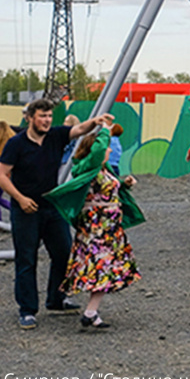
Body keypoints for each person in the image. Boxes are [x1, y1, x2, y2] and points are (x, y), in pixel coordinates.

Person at [0, 98, 114, 330]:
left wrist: (97, 121)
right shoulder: (16, 144)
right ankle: (27, 310)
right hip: (26, 209)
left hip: (51, 206)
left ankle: (56, 299)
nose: (47, 120)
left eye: (49, 116)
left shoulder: (56, 136)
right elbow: (1, 175)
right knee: (26, 259)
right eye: (42, 116)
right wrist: (20, 198)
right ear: (29, 118)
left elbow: (79, 129)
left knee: (63, 253)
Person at [45, 125, 144, 329]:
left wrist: (124, 184)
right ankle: (90, 312)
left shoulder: (101, 169)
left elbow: (107, 188)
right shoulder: (88, 165)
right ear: (95, 150)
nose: (110, 150)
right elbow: (99, 152)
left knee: (103, 268)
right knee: (102, 267)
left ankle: (92, 312)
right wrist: (105, 130)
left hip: (108, 229)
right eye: (107, 147)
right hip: (97, 229)